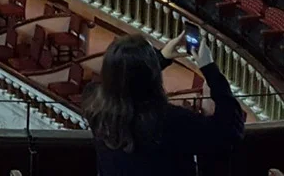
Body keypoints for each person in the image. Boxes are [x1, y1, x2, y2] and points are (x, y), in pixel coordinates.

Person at [84, 30, 243, 176]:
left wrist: (162, 57)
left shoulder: (94, 107)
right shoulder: (171, 120)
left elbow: (125, 81)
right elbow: (230, 131)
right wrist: (210, 70)